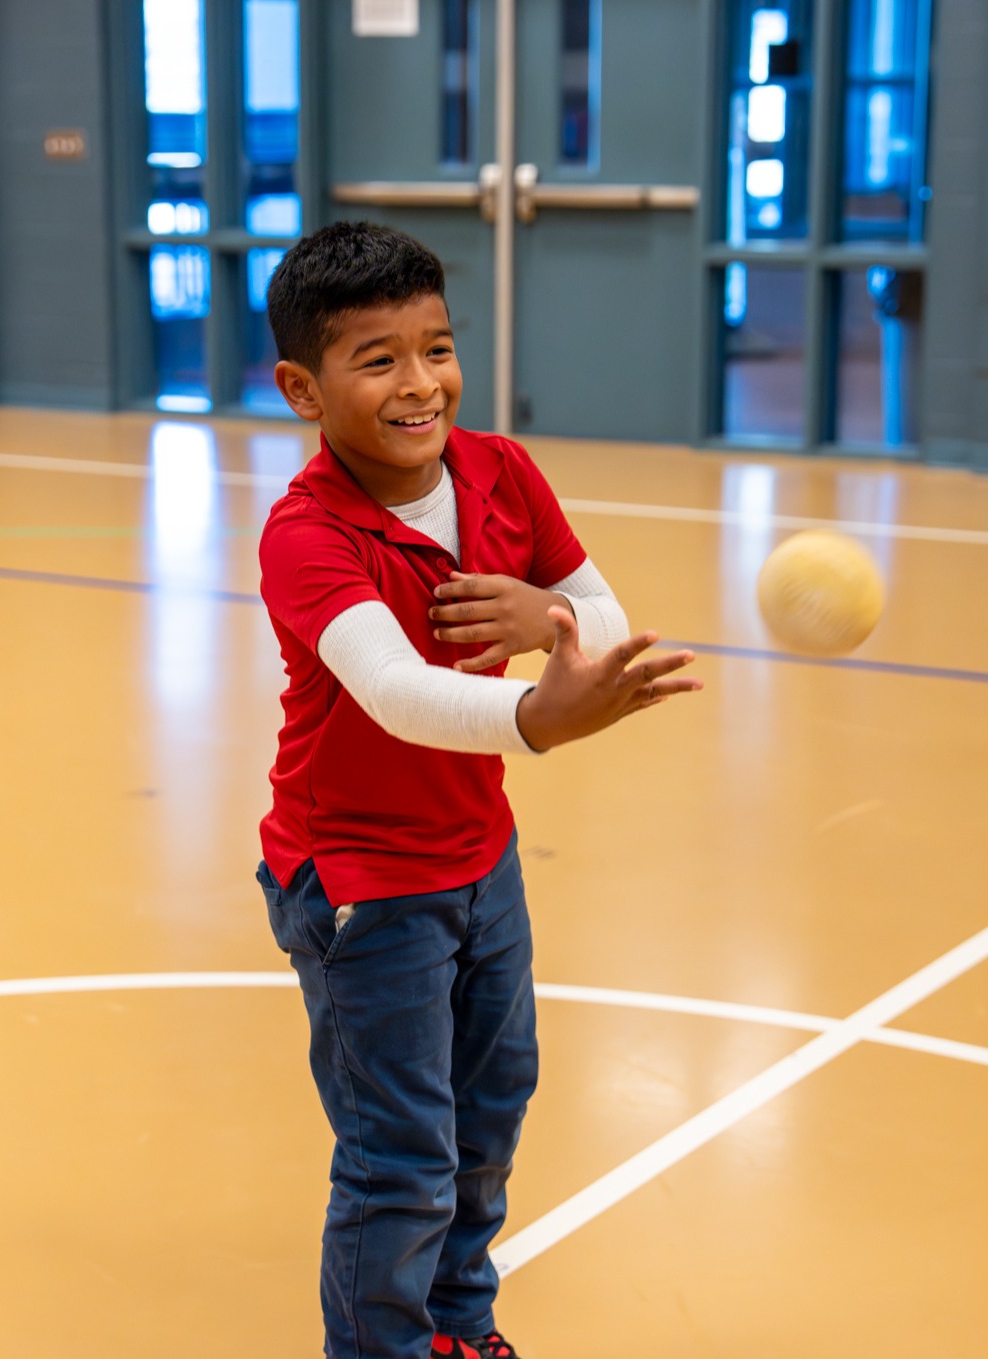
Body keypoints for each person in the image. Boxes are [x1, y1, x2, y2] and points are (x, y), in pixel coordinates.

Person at [255, 221, 701, 1359]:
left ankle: (456, 1321)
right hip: (359, 881)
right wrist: (538, 716)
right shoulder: (306, 535)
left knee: (490, 1108)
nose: (420, 384)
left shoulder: (499, 469)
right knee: (399, 1154)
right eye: (379, 360)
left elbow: (596, 609)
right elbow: (395, 692)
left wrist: (545, 619)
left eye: (438, 348)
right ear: (302, 389)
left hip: (477, 852)